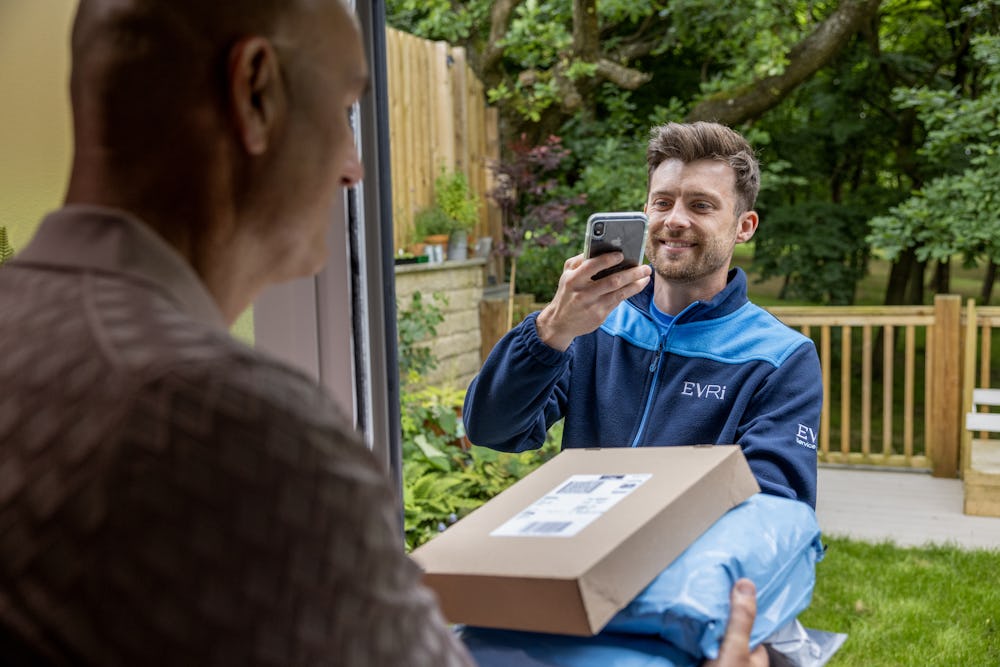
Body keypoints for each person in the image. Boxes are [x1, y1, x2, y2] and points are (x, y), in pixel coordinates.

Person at [0, 0, 767, 662]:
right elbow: (493, 424)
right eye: (342, 113)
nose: (354, 167)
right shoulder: (235, 423)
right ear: (256, 91)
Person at [464, 121, 822, 508]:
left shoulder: (780, 357)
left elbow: (773, 505)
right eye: (663, 202)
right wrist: (552, 328)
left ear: (744, 226)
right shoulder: (593, 323)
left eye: (701, 205)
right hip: (581, 553)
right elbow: (492, 430)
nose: (675, 220)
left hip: (686, 564)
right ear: (646, 210)